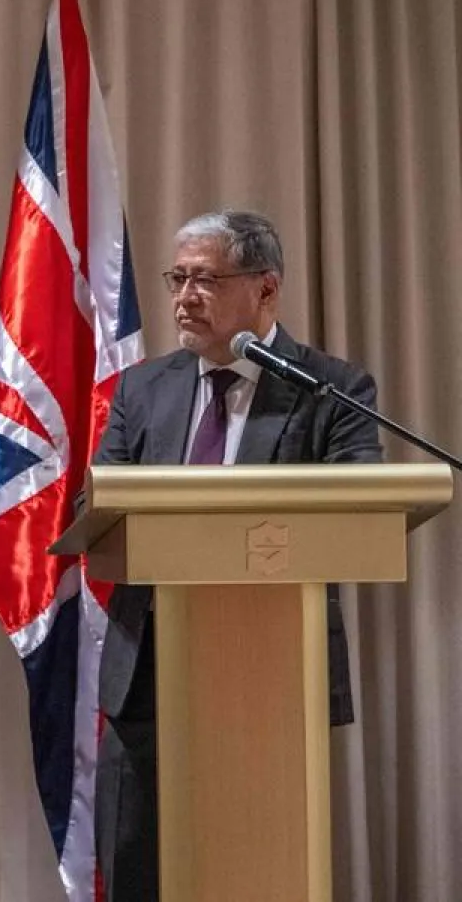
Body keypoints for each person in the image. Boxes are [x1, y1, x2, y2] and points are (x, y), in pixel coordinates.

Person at [91, 210, 378, 901]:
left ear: (266, 290)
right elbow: (102, 506)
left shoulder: (331, 389)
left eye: (205, 280)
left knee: (263, 867)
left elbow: (360, 504)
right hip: (149, 668)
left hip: (275, 666)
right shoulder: (143, 390)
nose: (184, 296)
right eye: (178, 278)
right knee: (136, 866)